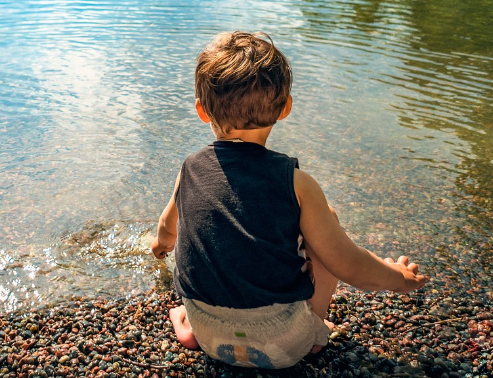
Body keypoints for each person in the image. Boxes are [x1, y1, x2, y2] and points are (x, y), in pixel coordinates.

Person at [151, 31, 427, 369]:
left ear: (201, 111)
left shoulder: (189, 170)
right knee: (325, 219)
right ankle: (315, 330)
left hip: (210, 337)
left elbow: (168, 228)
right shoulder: (297, 183)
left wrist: (160, 246)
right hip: (284, 345)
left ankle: (188, 325)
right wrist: (400, 278)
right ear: (285, 108)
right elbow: (350, 265)